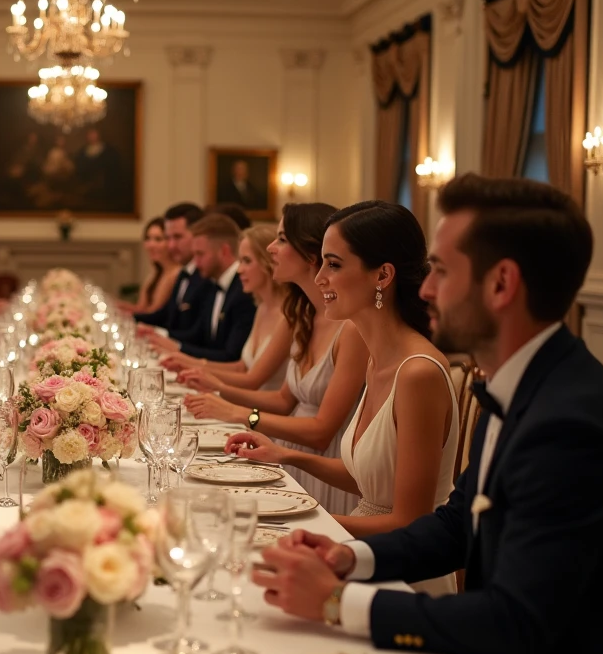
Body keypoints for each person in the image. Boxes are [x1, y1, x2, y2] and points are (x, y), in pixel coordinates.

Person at [250, 175, 603, 654]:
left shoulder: (571, 424)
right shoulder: (524, 386)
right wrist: (348, 558)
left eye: (442, 271)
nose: (425, 287)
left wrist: (338, 603)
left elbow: (516, 621)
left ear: (501, 284)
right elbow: (455, 525)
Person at [226, 202, 459, 564]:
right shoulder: (378, 359)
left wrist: (302, 522)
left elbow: (412, 521)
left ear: (382, 276)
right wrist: (284, 453)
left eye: (333, 265)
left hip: (399, 570)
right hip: (357, 549)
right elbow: (369, 480)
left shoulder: (418, 373)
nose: (320, 279)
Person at [185, 203, 365, 515]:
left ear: (311, 254)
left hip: (327, 466)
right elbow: (284, 400)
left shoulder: (351, 328)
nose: (272, 247)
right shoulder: (303, 313)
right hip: (286, 451)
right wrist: (220, 392)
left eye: (281, 239)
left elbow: (323, 432)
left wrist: (240, 413)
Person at [165, 224, 290, 391]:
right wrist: (187, 363)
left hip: (260, 411)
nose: (239, 270)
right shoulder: (262, 307)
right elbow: (241, 367)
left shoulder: (287, 315)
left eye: (246, 261)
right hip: (250, 406)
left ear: (268, 262)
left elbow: (252, 380)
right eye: (240, 261)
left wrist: (204, 376)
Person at [144, 214, 256, 362]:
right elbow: (198, 334)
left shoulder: (243, 291)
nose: (195, 263)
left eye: (200, 254)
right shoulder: (213, 284)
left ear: (224, 251)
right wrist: (160, 335)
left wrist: (177, 348)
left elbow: (231, 356)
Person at [134, 202, 210, 333]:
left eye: (178, 237)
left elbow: (197, 335)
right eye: (168, 238)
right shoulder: (184, 273)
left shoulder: (206, 276)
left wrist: (161, 336)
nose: (171, 246)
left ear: (199, 234)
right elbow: (163, 315)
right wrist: (126, 319)